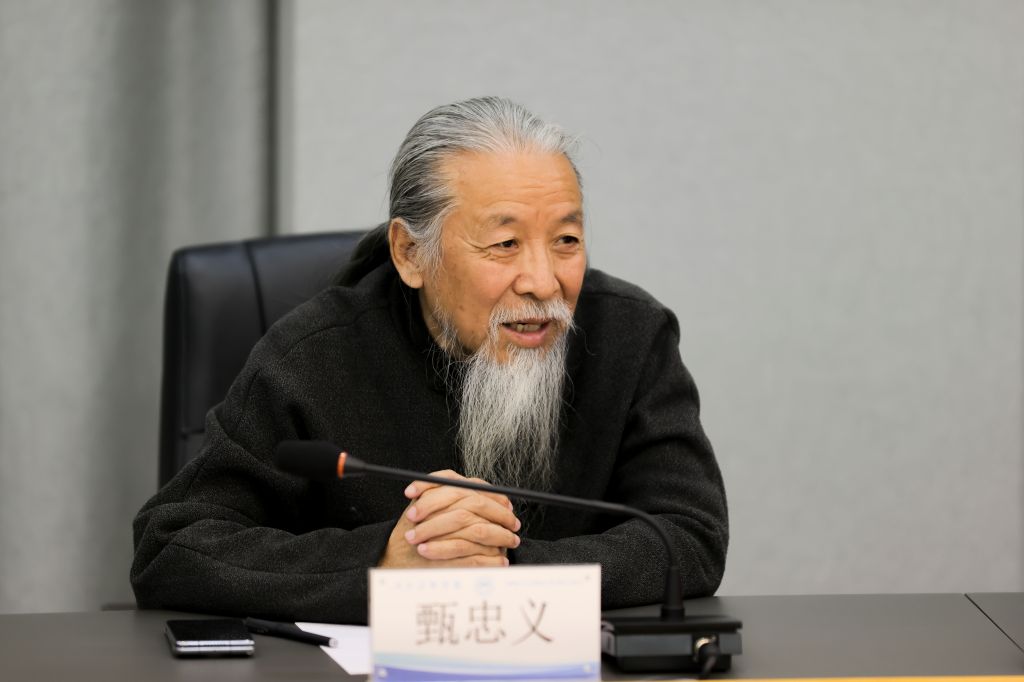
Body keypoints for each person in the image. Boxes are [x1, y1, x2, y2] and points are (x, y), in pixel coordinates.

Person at [131, 97, 728, 624]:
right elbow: (171, 546)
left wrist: (502, 569)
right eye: (505, 244)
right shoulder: (314, 356)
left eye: (565, 240)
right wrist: (384, 563)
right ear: (410, 254)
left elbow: (689, 535)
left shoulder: (630, 335)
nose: (544, 282)